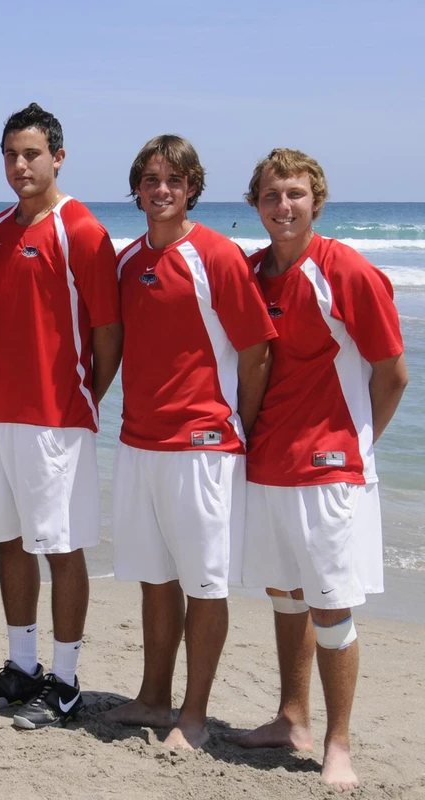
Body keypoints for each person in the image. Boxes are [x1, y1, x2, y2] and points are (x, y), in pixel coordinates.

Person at [230, 149, 408, 791]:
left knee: (331, 609)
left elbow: (393, 375)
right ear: (256, 204)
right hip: (267, 464)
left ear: (317, 201)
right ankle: (291, 718)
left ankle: (338, 744)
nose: (284, 206)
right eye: (272, 195)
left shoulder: (346, 271)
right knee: (286, 597)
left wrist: (355, 446)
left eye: (296, 194)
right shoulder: (250, 273)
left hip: (330, 472)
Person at [104, 135, 275, 748]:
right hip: (139, 443)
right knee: (155, 577)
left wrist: (237, 429)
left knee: (204, 583)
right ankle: (154, 698)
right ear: (138, 189)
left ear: (191, 189)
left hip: (203, 446)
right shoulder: (127, 262)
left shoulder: (217, 256)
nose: (161, 190)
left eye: (173, 180)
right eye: (150, 179)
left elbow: (257, 353)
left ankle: (194, 716)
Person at [0, 104, 122, 729]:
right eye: (10, 154)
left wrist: (82, 403)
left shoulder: (82, 231)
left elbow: (109, 336)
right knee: (8, 541)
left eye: (31, 153)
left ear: (58, 156)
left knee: (61, 548)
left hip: (57, 421)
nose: (20, 165)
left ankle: (67, 682)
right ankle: (22, 668)